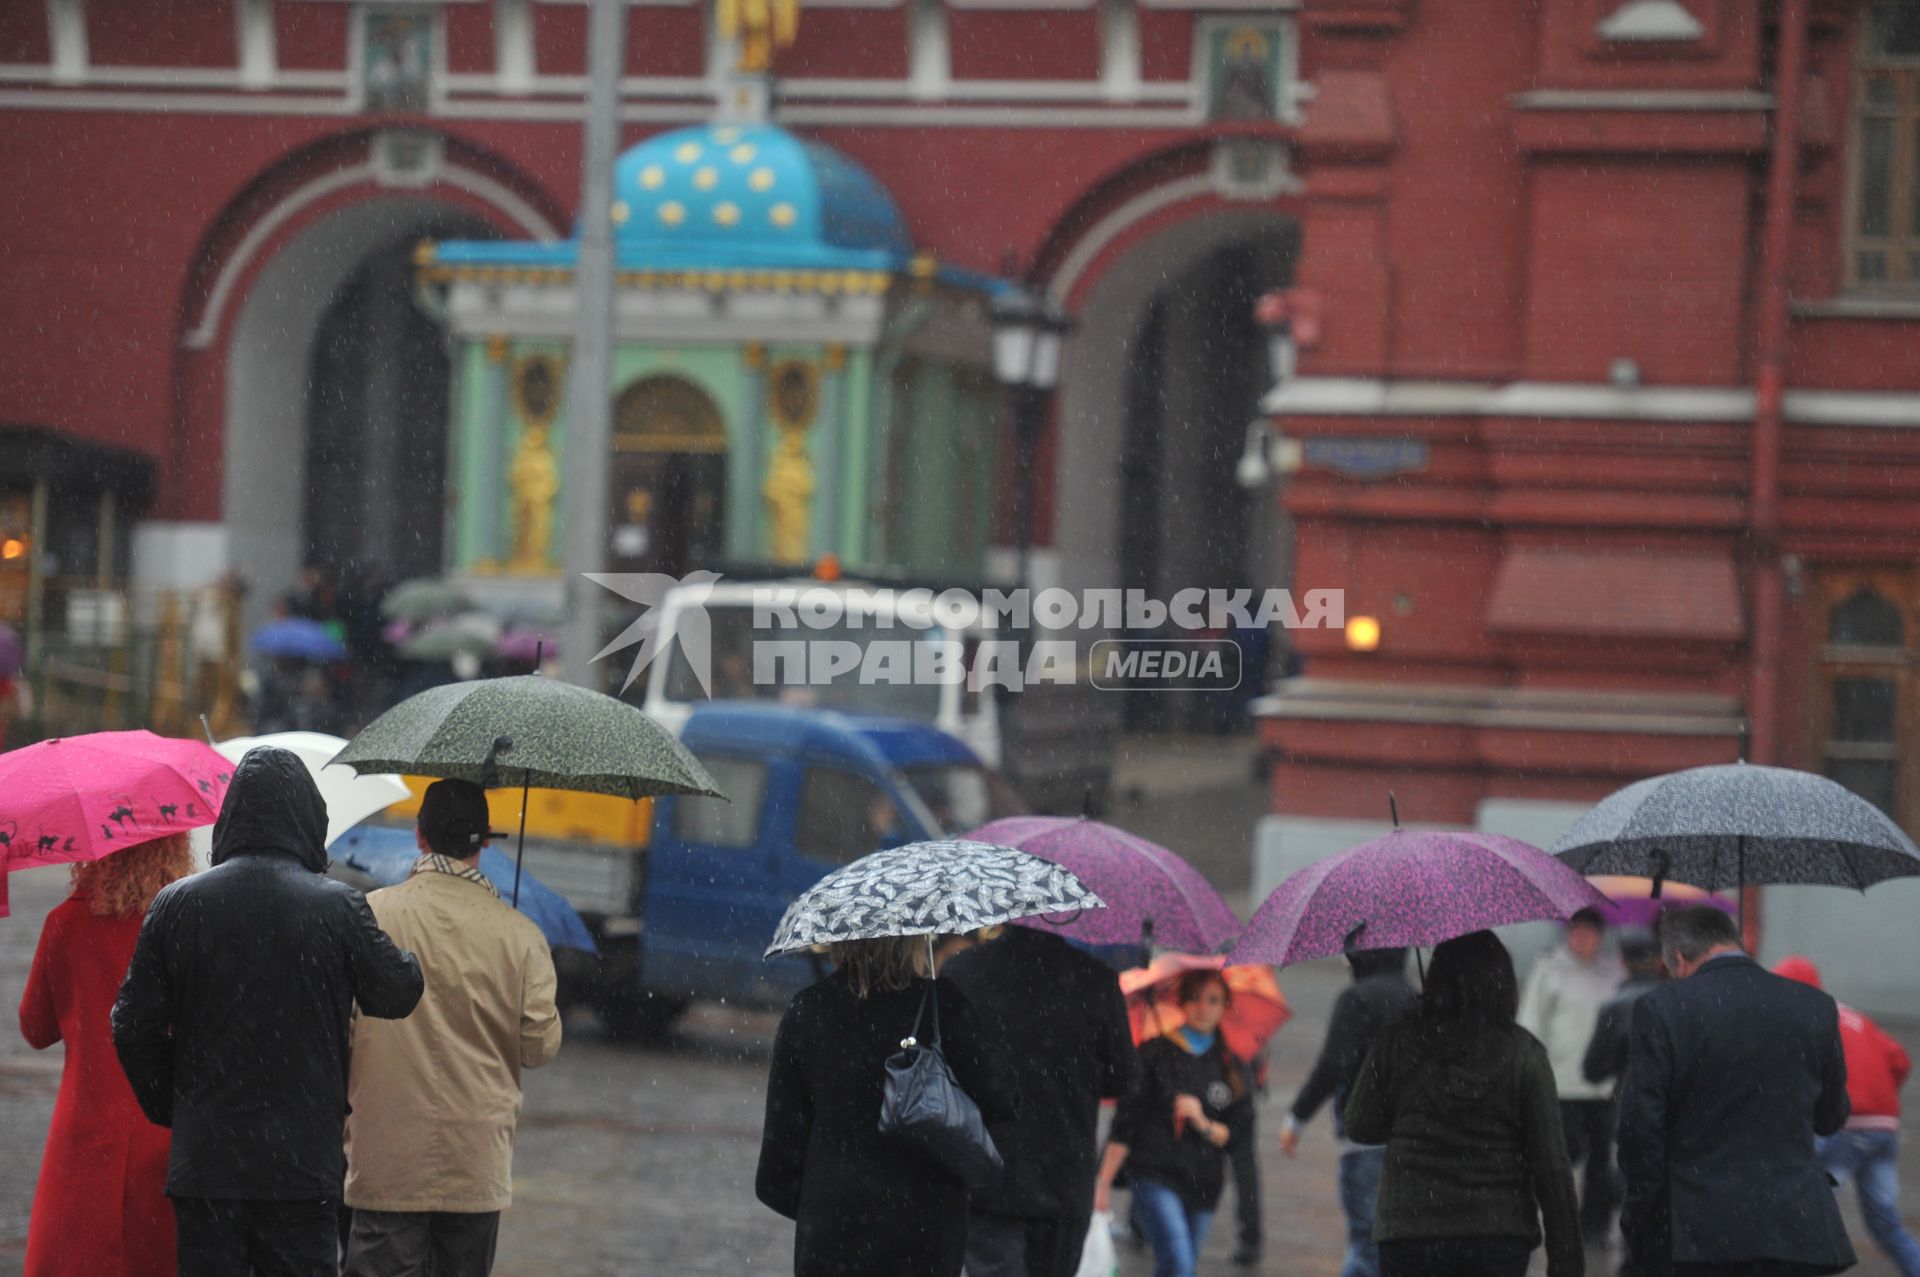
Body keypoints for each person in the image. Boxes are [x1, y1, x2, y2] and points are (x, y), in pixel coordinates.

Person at [112, 745, 424, 1276]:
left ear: (230, 818)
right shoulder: (337, 907)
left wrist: (173, 1103)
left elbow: (130, 1024)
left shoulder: (177, 905)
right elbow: (397, 992)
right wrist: (410, 956)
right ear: (309, 818)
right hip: (300, 1169)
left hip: (207, 1162)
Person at [344, 779, 563, 1277]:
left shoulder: (370, 915)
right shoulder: (522, 936)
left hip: (386, 1156)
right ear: (484, 843)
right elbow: (539, 1046)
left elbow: (343, 1029)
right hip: (475, 1163)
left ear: (419, 837)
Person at [756, 934, 1018, 1277]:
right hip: (926, 1231)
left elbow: (777, 1171)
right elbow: (1003, 1099)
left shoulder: (808, 1010)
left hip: (832, 1233)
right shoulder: (941, 1006)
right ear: (913, 939)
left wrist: (829, 1209)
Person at [1616, 906, 1853, 1277]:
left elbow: (1640, 1128)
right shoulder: (1815, 1006)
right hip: (1797, 1229)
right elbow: (1831, 1117)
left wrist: (1641, 1212)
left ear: (1679, 957)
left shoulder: (1662, 1008)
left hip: (1702, 1232)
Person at [1343, 930, 1583, 1277]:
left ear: (1437, 978)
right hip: (1498, 1233)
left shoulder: (1398, 1040)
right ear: (1503, 982)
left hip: (1410, 1230)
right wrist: (1567, 1263)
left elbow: (1359, 1125)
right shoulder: (1524, 1054)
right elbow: (1552, 1165)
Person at [19, 833, 193, 1277]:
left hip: (85, 1132)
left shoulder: (67, 922)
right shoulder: (185, 924)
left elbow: (35, 1029)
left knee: (75, 1257)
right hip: (166, 1125)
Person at [942, 925, 1136, 1277]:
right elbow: (1121, 1080)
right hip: (1064, 1180)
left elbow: (941, 1067)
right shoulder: (1096, 980)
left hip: (986, 1176)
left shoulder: (961, 972)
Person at [1094, 969, 1251, 1277]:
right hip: (1154, 1174)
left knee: (1179, 1266)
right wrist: (1102, 1184)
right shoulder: (1154, 1052)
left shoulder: (1232, 1066)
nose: (1203, 1007)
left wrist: (1201, 1121)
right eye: (1194, 998)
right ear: (1182, 1002)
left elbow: (1234, 1135)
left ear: (1224, 1006)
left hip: (1204, 1184)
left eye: (1213, 1000)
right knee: (1178, 1262)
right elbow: (1125, 1124)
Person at [1774, 955, 1920, 1277]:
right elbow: (1900, 1059)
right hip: (1884, 1128)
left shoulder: (1801, 1018)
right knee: (1885, 1223)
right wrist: (1881, 1098)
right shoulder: (1854, 1016)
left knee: (1802, 1212)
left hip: (1843, 1125)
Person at [1279, 946, 1416, 1277]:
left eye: (1348, 950)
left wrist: (1297, 1117)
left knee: (1366, 1241)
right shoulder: (1415, 998)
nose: (1343, 959)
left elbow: (1333, 1065)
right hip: (1411, 1139)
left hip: (1365, 1137)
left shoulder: (1357, 999)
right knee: (1396, 1240)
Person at [1519, 906, 1626, 1248]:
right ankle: (1556, 1223)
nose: (1581, 937)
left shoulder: (1612, 973)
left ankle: (1594, 1226)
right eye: (1575, 930)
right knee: (1559, 1160)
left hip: (1604, 1087)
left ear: (1600, 935)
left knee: (1601, 1161)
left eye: (1589, 931)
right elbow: (1530, 1024)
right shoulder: (1549, 969)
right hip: (1561, 1084)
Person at [1582, 931, 1663, 1093]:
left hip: (1629, 1101)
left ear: (1622, 961)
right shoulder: (1678, 999)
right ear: (1659, 961)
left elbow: (1593, 1071)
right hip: (1676, 1106)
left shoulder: (1615, 1007)